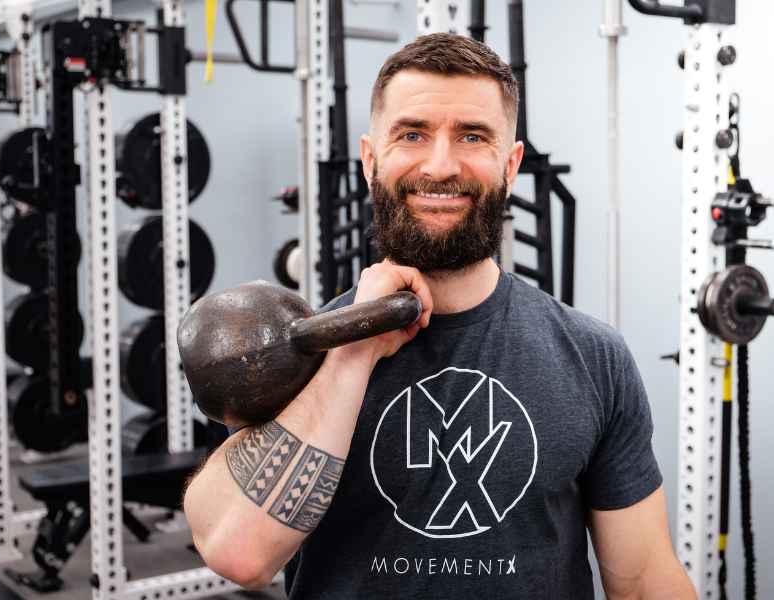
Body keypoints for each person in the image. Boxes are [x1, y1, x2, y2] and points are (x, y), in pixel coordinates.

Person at [184, 33, 696, 599]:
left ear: (511, 164)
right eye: (412, 134)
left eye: (472, 136)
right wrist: (354, 351)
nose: (441, 164)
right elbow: (238, 552)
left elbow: (646, 580)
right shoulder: (301, 356)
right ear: (370, 159)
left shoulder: (593, 356)